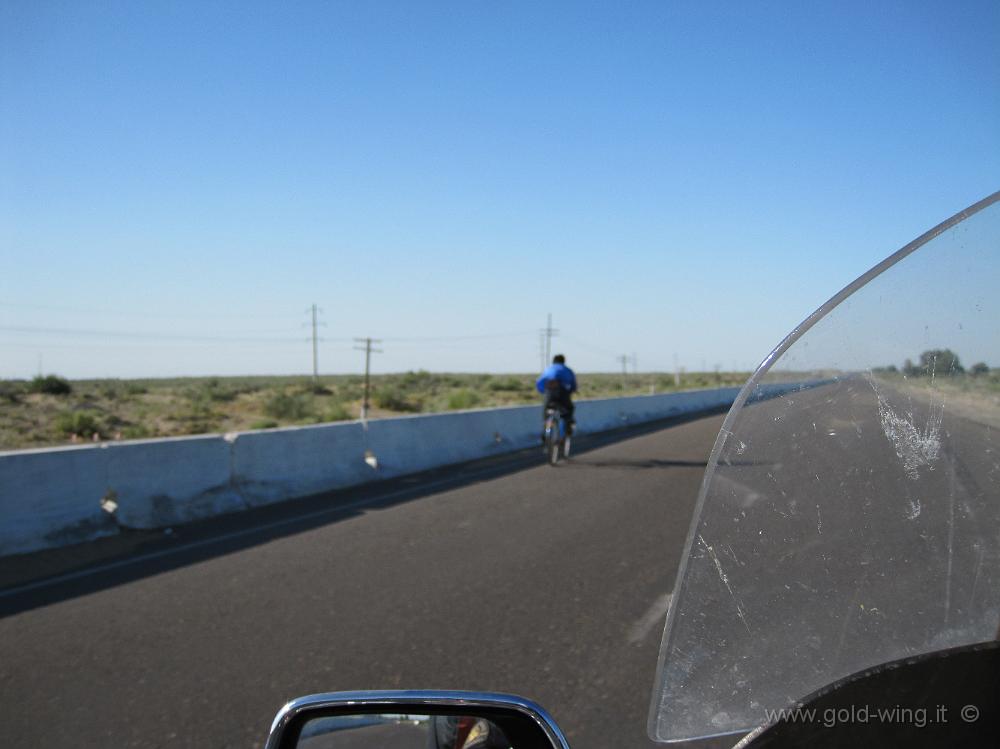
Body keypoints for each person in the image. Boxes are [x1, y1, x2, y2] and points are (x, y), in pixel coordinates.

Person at [536, 354, 577, 440]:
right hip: (562, 393)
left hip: (549, 393)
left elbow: (539, 382)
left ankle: (545, 432)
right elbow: (573, 385)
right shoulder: (567, 370)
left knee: (546, 411)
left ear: (553, 361)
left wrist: (544, 391)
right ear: (563, 361)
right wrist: (571, 390)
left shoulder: (548, 369)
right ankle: (568, 428)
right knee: (569, 409)